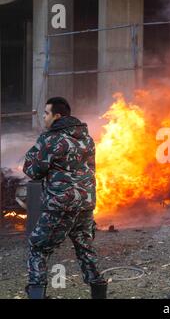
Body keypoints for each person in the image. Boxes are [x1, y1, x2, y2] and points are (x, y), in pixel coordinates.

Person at [23, 97, 107, 299]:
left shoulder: (50, 139)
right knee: (85, 248)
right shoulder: (87, 138)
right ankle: (99, 293)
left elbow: (33, 171)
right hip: (85, 204)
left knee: (38, 248)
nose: (43, 117)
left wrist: (34, 152)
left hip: (60, 205)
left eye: (46, 113)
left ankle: (36, 294)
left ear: (57, 116)